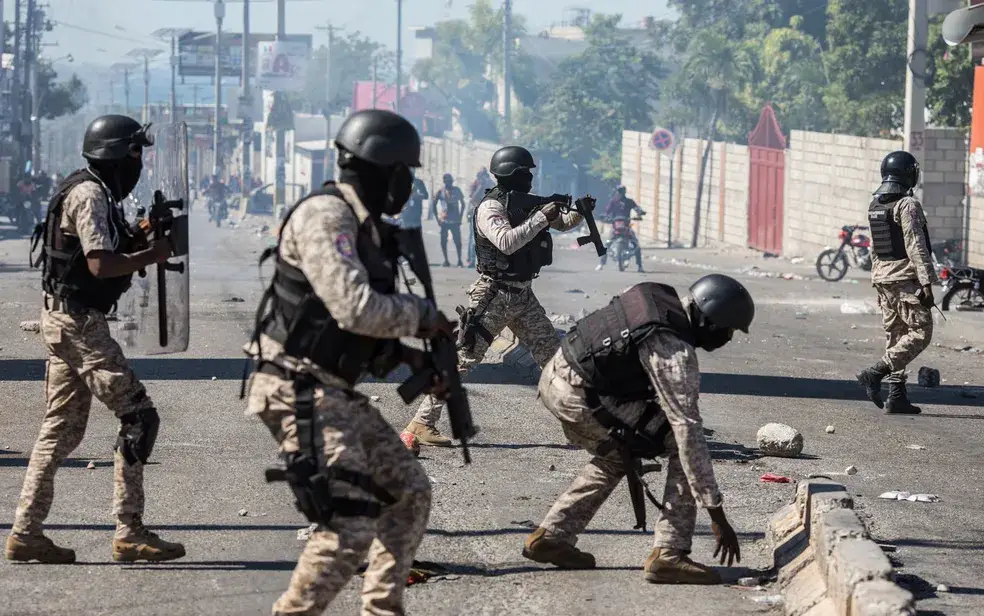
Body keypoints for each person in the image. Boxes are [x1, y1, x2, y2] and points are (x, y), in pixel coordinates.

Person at [243, 109, 453, 616]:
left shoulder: (365, 227)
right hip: (296, 386)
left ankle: (382, 608)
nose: (408, 186)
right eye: (405, 173)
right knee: (350, 523)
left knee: (408, 491)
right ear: (384, 169)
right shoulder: (328, 216)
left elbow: (354, 335)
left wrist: (415, 362)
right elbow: (354, 308)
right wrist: (424, 317)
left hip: (331, 387)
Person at [6, 114, 184, 564]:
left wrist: (143, 232)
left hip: (65, 319)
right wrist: (154, 253)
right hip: (79, 325)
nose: (139, 163)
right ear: (118, 154)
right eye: (136, 153)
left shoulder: (92, 189)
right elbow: (101, 264)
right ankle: (130, 530)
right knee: (139, 418)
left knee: (59, 431)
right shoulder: (89, 194)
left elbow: (104, 247)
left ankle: (26, 533)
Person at [523, 275, 754, 582]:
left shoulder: (656, 296)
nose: (728, 338)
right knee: (679, 443)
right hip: (579, 394)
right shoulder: (673, 350)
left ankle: (552, 536)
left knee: (617, 453)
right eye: (729, 330)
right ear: (711, 322)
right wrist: (717, 514)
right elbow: (687, 431)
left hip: (557, 375)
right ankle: (669, 553)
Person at [402, 145, 588, 446]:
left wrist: (579, 211)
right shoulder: (491, 207)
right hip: (493, 296)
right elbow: (506, 242)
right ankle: (420, 424)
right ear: (510, 174)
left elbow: (563, 224)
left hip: (523, 296)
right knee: (463, 360)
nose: (530, 178)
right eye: (525, 173)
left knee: (554, 357)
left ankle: (583, 423)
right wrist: (540, 218)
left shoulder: (527, 204)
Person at [856, 151, 937, 415]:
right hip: (903, 278)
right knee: (921, 332)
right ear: (909, 174)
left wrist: (878, 283)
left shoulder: (876, 205)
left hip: (883, 279)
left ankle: (897, 396)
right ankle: (875, 372)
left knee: (897, 335)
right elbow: (916, 245)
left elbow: (875, 249)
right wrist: (927, 283)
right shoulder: (907, 205)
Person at [597, 186, 646, 273]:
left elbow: (636, 208)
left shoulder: (629, 201)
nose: (619, 193)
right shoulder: (613, 201)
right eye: (618, 191)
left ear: (624, 192)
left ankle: (640, 266)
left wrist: (640, 212)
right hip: (615, 226)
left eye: (621, 192)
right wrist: (604, 216)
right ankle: (601, 264)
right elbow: (607, 211)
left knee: (636, 245)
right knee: (607, 244)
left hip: (627, 226)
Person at [433, 173, 466, 267]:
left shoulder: (457, 190)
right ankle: (446, 260)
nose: (449, 183)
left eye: (450, 181)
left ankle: (459, 260)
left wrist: (460, 217)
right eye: (447, 181)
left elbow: (463, 204)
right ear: (444, 182)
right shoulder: (440, 191)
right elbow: (433, 204)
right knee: (443, 240)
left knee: (457, 241)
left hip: (455, 220)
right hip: (444, 220)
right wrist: (437, 219)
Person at [465, 167, 495, 267]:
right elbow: (472, 198)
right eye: (481, 175)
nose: (483, 177)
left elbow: (494, 194)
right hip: (475, 211)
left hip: (486, 212)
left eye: (485, 175)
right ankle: (471, 260)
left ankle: (484, 261)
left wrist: (488, 184)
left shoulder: (489, 183)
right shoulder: (475, 184)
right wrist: (480, 186)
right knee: (473, 238)